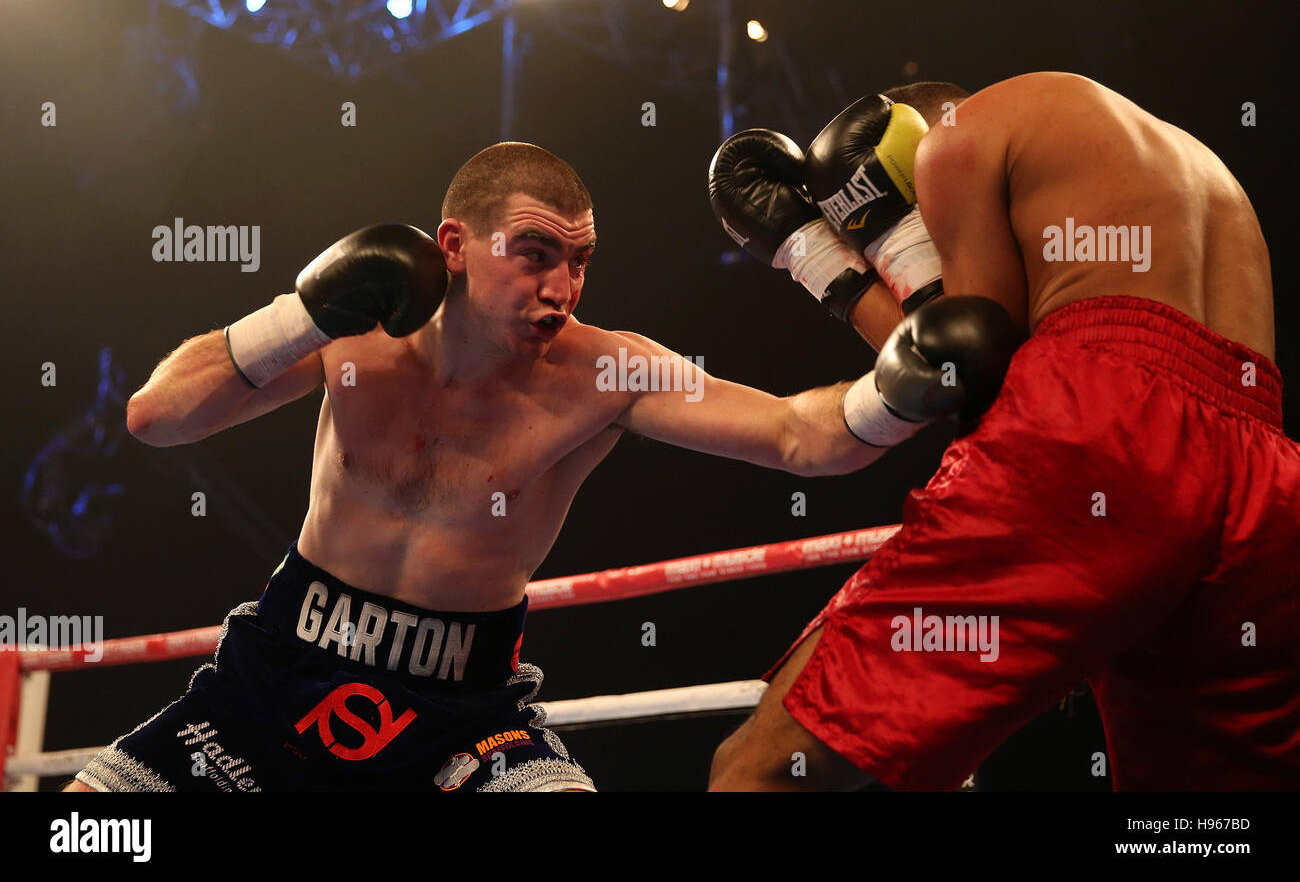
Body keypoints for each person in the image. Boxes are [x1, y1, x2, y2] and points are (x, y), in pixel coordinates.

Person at [67, 142, 1007, 792]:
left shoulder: (606, 370)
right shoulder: (358, 334)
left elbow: (806, 437)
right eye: (535, 254)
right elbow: (155, 417)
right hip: (271, 679)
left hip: (461, 714)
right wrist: (303, 314)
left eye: (581, 260)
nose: (560, 287)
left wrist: (892, 391)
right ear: (454, 248)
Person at [706, 73, 1300, 791]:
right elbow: (953, 344)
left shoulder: (960, 134)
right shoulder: (1192, 165)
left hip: (1100, 436)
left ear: (903, 144)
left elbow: (965, 365)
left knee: (763, 768)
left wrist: (819, 257)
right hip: (1267, 485)